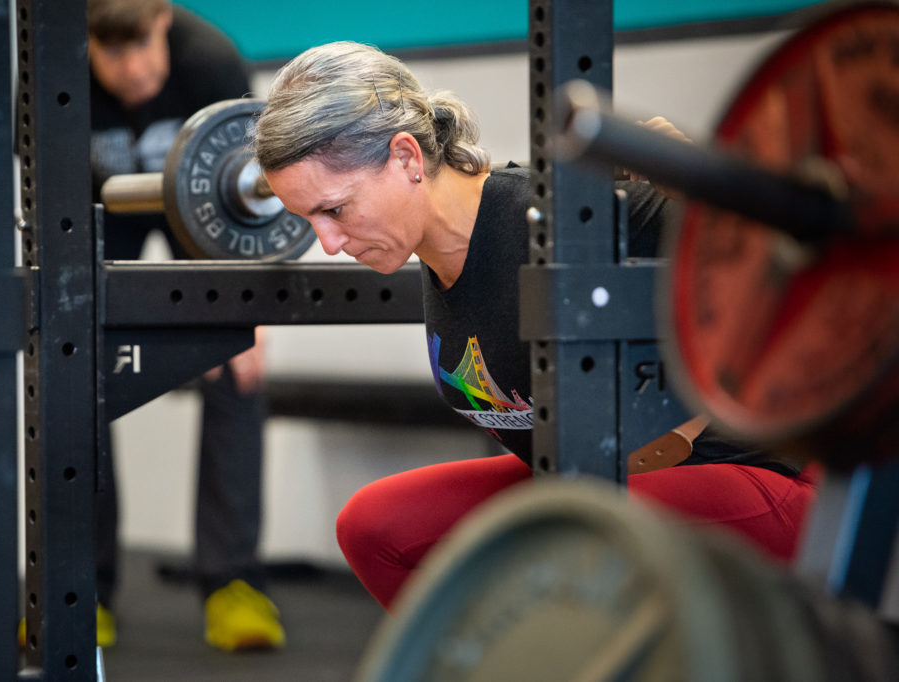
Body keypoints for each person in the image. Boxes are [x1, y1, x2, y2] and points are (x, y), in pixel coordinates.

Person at [252, 41, 820, 610]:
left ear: (406, 158)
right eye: (309, 221)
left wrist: (713, 191)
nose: (327, 243)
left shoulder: (567, 217)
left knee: (561, 538)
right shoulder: (437, 255)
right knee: (375, 526)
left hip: (747, 478)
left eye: (335, 210)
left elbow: (799, 264)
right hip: (586, 493)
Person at [86, 0, 284, 649]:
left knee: (239, 365)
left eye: (141, 45)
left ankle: (232, 582)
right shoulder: (47, 69)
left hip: (196, 212)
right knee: (70, 376)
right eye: (110, 52)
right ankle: (79, 590)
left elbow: (249, 195)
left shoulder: (211, 61)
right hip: (92, 215)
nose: (131, 68)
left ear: (163, 18)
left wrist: (247, 318)